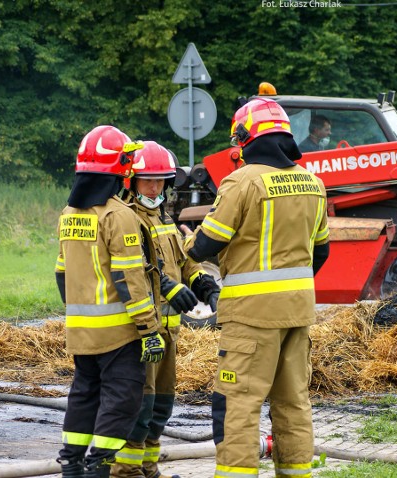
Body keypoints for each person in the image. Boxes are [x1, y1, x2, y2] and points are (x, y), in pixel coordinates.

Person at [183, 97, 330, 478]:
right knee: (293, 403)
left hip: (250, 318)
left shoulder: (242, 181)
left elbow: (205, 245)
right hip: (297, 315)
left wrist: (186, 243)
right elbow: (322, 253)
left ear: (246, 140)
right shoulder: (313, 184)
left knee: (237, 405)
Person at [55, 125, 166, 478]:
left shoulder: (70, 214)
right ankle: (99, 466)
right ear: (121, 169)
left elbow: (62, 274)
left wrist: (80, 315)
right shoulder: (119, 215)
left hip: (81, 333)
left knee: (85, 396)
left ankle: (71, 464)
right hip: (118, 334)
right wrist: (149, 329)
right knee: (123, 400)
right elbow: (129, 280)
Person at [111, 141, 219, 478]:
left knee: (161, 405)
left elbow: (180, 261)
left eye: (161, 180)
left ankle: (148, 467)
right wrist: (168, 287)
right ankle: (125, 472)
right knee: (140, 407)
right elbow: (137, 270)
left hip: (168, 331)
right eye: (147, 180)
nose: (155, 187)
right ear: (131, 181)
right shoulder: (126, 218)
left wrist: (202, 281)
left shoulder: (162, 217)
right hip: (142, 332)